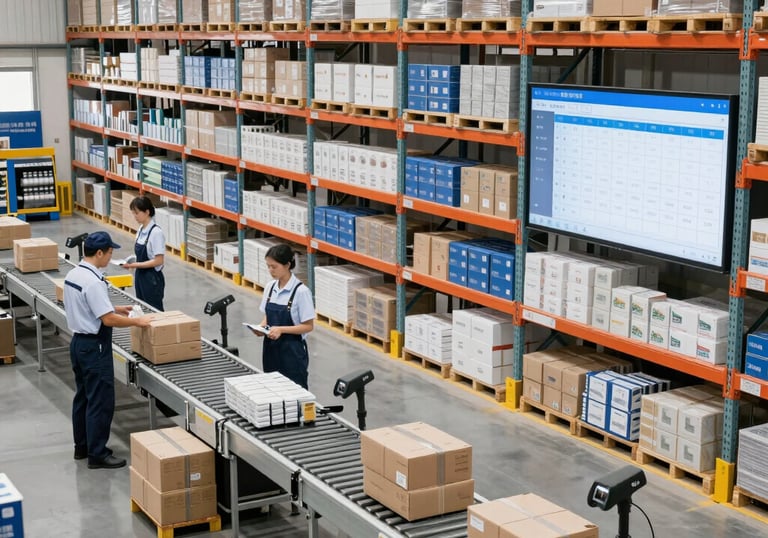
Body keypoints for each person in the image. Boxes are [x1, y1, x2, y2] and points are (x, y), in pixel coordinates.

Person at [63, 231, 151, 469]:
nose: (111, 257)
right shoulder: (93, 281)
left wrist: (115, 307)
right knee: (100, 401)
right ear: (99, 253)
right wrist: (137, 322)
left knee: (83, 397)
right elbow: (108, 321)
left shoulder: (74, 273)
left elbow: (88, 306)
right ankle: (98, 454)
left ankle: (81, 447)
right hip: (95, 346)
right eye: (110, 253)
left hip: (78, 344)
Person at [251, 244, 315, 389]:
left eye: (274, 266)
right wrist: (261, 328)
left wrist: (281, 330)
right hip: (271, 349)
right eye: (268, 266)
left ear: (287, 265)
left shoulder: (301, 292)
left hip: (292, 351)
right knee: (273, 389)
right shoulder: (270, 287)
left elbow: (308, 326)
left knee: (294, 390)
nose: (270, 270)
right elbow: (268, 316)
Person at [122, 195, 166, 311]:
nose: (135, 216)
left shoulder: (156, 233)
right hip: (140, 276)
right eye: (133, 213)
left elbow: (158, 261)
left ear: (147, 212)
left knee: (154, 311)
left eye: (137, 213)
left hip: (152, 279)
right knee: (142, 309)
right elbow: (140, 256)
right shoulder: (141, 230)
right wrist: (131, 261)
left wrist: (135, 265)